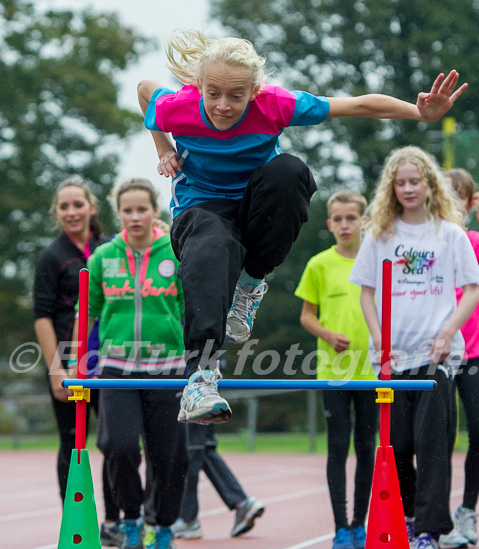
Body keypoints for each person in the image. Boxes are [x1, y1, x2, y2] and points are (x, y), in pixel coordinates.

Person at [137, 29, 466, 425]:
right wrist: (163, 147)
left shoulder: (275, 103)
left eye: (236, 96)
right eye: (213, 94)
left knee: (290, 171)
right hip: (200, 208)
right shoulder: (179, 105)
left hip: (254, 206)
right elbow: (144, 90)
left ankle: (249, 284)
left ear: (254, 90)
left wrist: (419, 113)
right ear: (200, 86)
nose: (223, 107)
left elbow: (360, 105)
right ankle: (202, 378)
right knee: (212, 240)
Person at [349, 146, 479, 549]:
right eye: (400, 182)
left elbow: (473, 290)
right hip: (391, 358)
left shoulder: (449, 234)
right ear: (392, 187)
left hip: (435, 356)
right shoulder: (381, 235)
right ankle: (405, 517)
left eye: (414, 181)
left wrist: (447, 332)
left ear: (428, 185)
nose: (407, 189)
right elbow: (367, 293)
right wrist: (377, 337)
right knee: (397, 444)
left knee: (432, 444)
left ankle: (428, 532)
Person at [75, 178, 188, 549]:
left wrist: (201, 357)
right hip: (116, 368)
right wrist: (82, 361)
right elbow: (86, 313)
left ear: (154, 210)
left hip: (169, 367)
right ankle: (131, 518)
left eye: (142, 209)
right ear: (117, 212)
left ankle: (164, 525)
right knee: (119, 447)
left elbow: (192, 311)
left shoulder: (175, 252)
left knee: (169, 454)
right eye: (127, 210)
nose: (135, 216)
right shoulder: (103, 257)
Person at [33, 177, 120, 539]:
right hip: (67, 361)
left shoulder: (109, 249)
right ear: (57, 212)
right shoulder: (51, 257)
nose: (71, 212)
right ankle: (76, 520)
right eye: (64, 206)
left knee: (115, 439)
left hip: (109, 358)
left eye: (78, 204)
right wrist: (57, 371)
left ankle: (117, 520)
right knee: (72, 440)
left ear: (92, 207)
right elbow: (42, 316)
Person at [295, 190, 378, 549]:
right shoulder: (319, 264)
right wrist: (328, 335)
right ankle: (340, 529)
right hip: (333, 371)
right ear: (329, 224)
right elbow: (306, 316)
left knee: (366, 448)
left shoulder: (377, 262)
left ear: (365, 221)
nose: (345, 225)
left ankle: (360, 525)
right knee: (337, 448)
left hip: (374, 372)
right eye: (338, 219)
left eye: (351, 218)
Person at [438, 168, 479, 549]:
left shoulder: (475, 242)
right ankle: (439, 516)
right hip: (440, 354)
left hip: (476, 354)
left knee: (477, 431)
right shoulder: (431, 248)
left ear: (471, 203)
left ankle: (468, 510)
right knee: (441, 436)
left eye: (457, 198)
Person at [173, 423, 264, 540]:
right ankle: (241, 502)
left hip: (191, 408)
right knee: (204, 447)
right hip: (203, 406)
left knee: (192, 448)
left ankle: (188, 519)